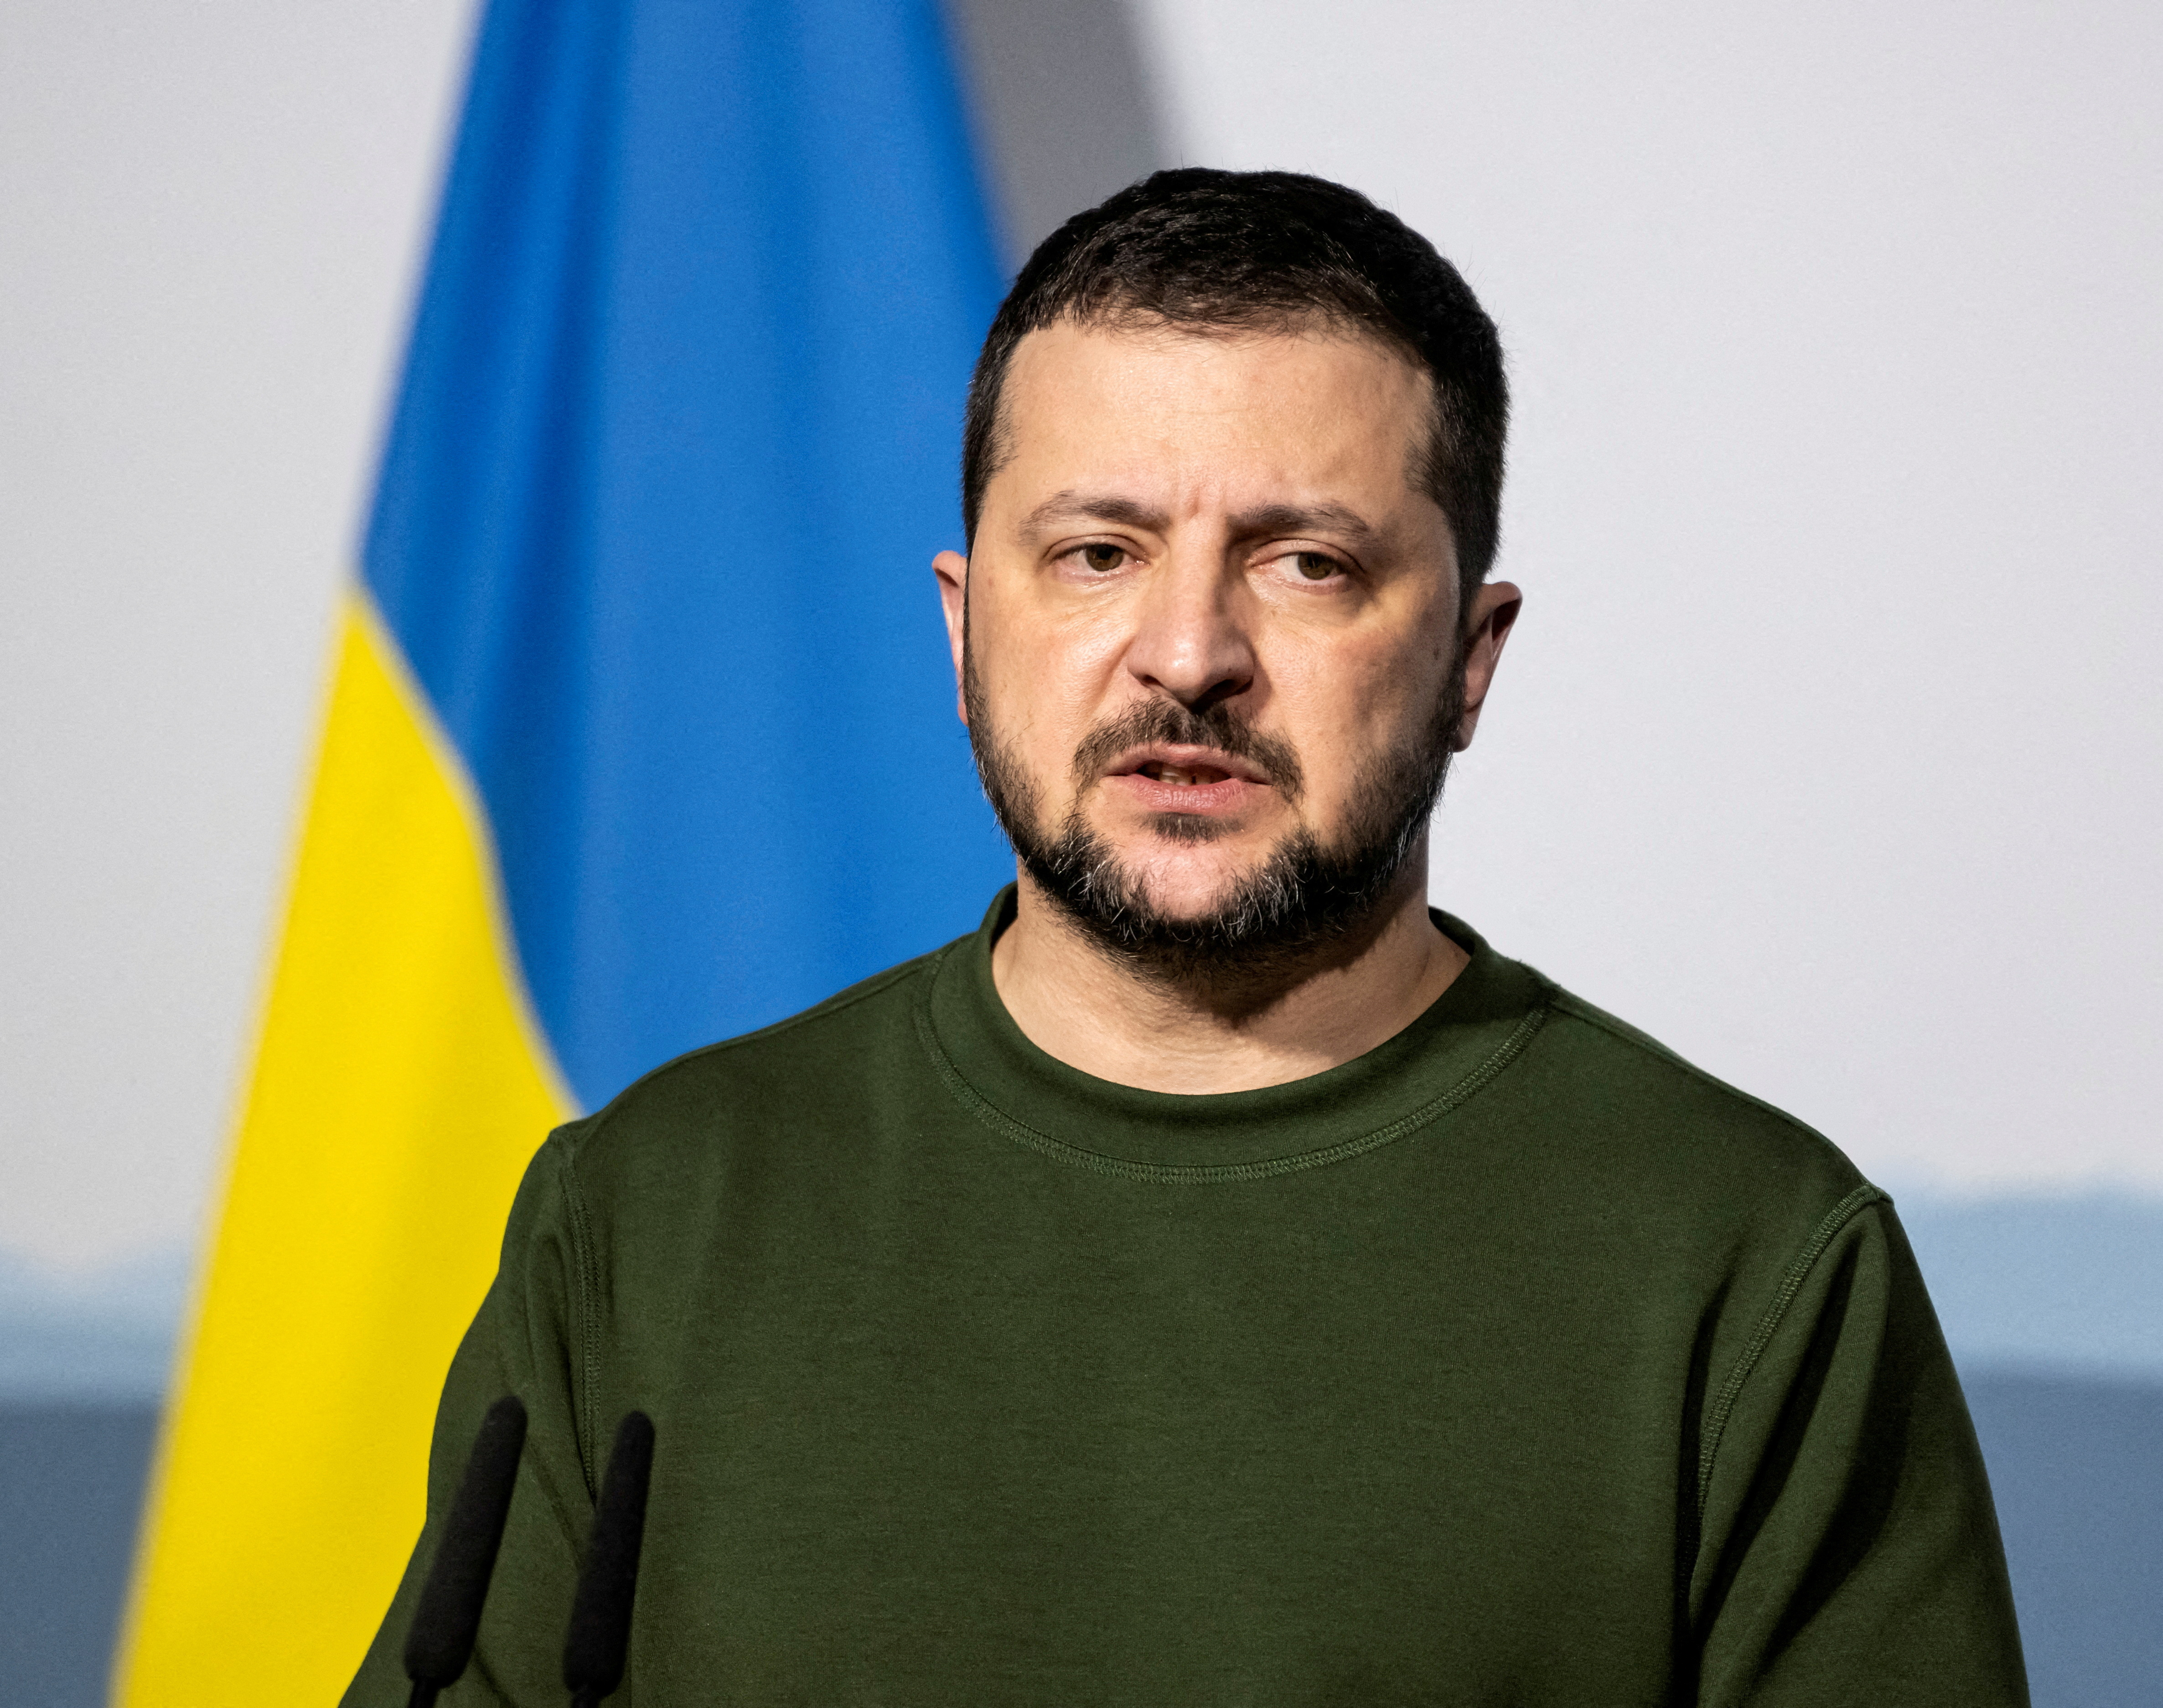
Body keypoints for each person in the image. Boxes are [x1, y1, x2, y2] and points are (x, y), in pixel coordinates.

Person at [343, 169, 2027, 1706]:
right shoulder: (647, 1209)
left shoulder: (1745, 1257)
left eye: (1304, 563)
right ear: (964, 630)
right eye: (1098, 553)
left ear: (1469, 657)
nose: (1186, 652)